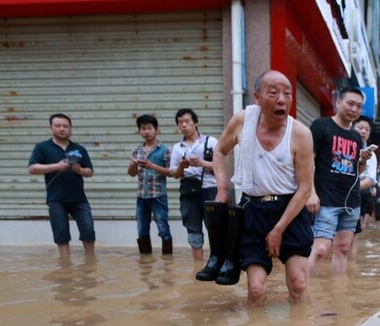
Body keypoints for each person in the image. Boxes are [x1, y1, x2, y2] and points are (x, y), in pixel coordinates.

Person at [211, 70, 314, 305]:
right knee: (256, 289)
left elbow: (305, 189)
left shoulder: (301, 134)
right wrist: (222, 188)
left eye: (287, 94)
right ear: (257, 97)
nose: (282, 99)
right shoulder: (242, 122)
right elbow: (219, 151)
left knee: (298, 283)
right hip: (252, 210)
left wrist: (278, 229)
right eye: (274, 93)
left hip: (291, 211)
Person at [305, 87, 375, 276]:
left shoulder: (356, 137)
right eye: (350, 103)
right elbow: (307, 161)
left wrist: (363, 161)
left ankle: (339, 294)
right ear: (338, 102)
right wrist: (310, 193)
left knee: (343, 248)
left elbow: (356, 172)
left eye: (359, 106)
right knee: (320, 249)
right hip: (326, 199)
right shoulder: (321, 126)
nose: (354, 109)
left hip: (351, 202)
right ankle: (303, 293)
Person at [28, 113, 96, 258]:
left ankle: (90, 260)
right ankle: (65, 263)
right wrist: (56, 166)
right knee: (61, 232)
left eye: (65, 126)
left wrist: (79, 170)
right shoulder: (43, 147)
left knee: (88, 229)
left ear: (70, 128)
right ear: (51, 128)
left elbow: (90, 172)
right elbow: (32, 168)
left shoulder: (79, 149)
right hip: (56, 198)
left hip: (79, 198)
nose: (62, 129)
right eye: (58, 126)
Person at [169, 108, 217, 261]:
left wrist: (201, 163)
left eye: (187, 121)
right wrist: (182, 167)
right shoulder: (177, 148)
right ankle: (198, 264)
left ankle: (216, 262)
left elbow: (221, 167)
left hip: (210, 190)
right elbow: (174, 175)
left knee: (215, 228)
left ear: (195, 123)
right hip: (188, 192)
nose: (183, 125)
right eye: (180, 123)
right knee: (193, 228)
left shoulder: (211, 142)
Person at [128, 114, 173, 255]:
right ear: (139, 131)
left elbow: (171, 172)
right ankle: (145, 263)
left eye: (149, 128)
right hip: (141, 196)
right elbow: (131, 173)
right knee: (142, 231)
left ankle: (167, 263)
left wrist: (152, 166)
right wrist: (132, 166)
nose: (146, 132)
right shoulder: (136, 150)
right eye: (143, 129)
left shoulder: (164, 150)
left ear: (156, 130)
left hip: (158, 196)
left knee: (163, 230)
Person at [355, 117, 377, 231]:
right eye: (360, 128)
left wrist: (350, 188)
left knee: (350, 237)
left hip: (356, 195)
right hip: (330, 198)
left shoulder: (370, 154)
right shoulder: (340, 144)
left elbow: (371, 178)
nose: (363, 131)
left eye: (367, 129)